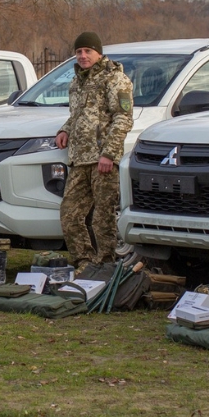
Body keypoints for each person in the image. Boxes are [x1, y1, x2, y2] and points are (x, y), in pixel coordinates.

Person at [56, 32, 134, 270]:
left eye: (87, 51)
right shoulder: (77, 82)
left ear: (99, 53)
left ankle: (106, 264)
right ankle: (84, 262)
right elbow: (78, 115)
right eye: (79, 51)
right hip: (79, 159)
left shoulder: (115, 79)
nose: (82, 56)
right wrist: (65, 130)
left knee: (103, 218)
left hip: (102, 160)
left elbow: (123, 118)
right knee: (69, 214)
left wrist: (109, 154)